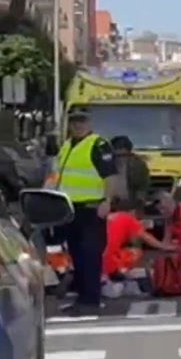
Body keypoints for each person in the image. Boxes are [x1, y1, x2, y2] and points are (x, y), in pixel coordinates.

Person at [48, 109, 117, 314]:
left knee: (89, 254)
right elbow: (59, 175)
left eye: (81, 121)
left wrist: (107, 201)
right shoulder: (68, 145)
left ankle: (91, 300)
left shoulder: (98, 144)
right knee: (77, 254)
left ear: (89, 123)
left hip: (91, 208)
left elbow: (110, 176)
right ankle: (82, 298)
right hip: (70, 209)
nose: (77, 125)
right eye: (74, 121)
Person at [102, 206, 174, 298]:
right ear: (134, 212)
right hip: (108, 265)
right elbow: (145, 237)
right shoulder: (128, 218)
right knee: (136, 252)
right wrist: (164, 246)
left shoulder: (111, 217)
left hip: (94, 260)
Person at [108, 135, 152, 213]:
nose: (121, 159)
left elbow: (143, 185)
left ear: (129, 153)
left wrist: (139, 201)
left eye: (124, 155)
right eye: (118, 156)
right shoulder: (105, 165)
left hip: (132, 206)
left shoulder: (138, 165)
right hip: (111, 207)